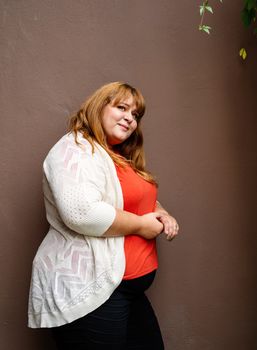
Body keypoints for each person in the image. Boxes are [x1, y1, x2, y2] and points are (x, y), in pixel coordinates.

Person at [28, 82, 179, 349]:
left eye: (135, 114)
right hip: (94, 291)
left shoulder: (115, 155)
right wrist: (142, 226)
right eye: (121, 107)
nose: (130, 118)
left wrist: (161, 212)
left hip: (126, 291)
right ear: (99, 106)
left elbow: (132, 197)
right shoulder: (74, 148)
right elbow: (82, 212)